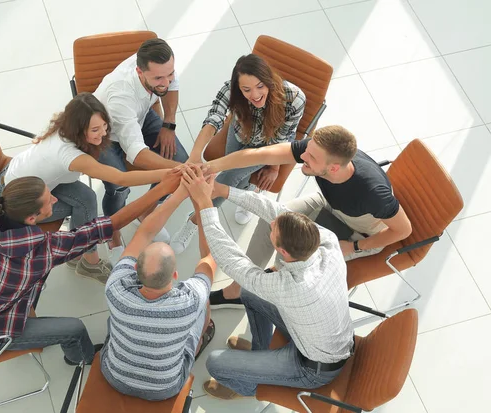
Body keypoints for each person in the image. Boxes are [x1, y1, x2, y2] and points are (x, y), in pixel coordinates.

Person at [0, 173, 180, 366]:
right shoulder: (42, 249)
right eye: (49, 200)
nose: (54, 198)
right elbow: (110, 225)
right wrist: (161, 189)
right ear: (31, 218)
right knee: (75, 329)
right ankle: (81, 359)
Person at [180, 165, 353, 400]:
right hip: (313, 332)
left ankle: (249, 388)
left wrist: (204, 205)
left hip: (313, 367)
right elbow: (276, 211)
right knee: (250, 293)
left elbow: (231, 260)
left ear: (281, 251)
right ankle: (258, 354)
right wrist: (220, 189)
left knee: (216, 363)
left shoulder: (290, 287)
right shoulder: (327, 241)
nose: (271, 223)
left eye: (273, 230)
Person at [205, 125, 412, 309]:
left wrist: (355, 247)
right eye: (307, 151)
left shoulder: (373, 193)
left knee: (289, 254)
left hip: (359, 233)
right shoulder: (319, 152)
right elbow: (263, 154)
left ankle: (266, 301)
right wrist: (211, 167)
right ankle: (238, 291)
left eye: (311, 157)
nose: (303, 156)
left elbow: (403, 230)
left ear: (333, 168)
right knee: (271, 221)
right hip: (330, 204)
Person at [0, 93, 171, 279]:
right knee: (85, 204)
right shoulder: (69, 155)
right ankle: (89, 262)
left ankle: (80, 254)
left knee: (86, 197)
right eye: (95, 129)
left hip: (24, 178)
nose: (103, 133)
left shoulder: (66, 124)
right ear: (78, 130)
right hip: (18, 199)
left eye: (104, 125)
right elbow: (121, 179)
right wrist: (170, 174)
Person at [170, 53, 305, 254]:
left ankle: (195, 220)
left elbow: (281, 141)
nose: (255, 95)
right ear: (238, 87)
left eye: (260, 86)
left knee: (230, 176)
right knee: (237, 179)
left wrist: (273, 167)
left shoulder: (294, 99)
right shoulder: (230, 89)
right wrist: (195, 154)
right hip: (241, 133)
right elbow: (214, 117)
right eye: (246, 90)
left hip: (266, 147)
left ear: (268, 80)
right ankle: (249, 190)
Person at [101, 172, 216, 401]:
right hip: (164, 390)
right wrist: (204, 201)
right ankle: (202, 338)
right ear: (175, 275)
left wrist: (179, 193)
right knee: (204, 305)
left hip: (113, 376)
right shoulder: (190, 301)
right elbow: (209, 257)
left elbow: (145, 232)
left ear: (134, 269)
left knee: (113, 319)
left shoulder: (115, 289)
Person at [94, 38, 189, 242]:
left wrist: (169, 124)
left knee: (179, 160)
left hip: (141, 116)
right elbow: (136, 154)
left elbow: (172, 84)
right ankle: (113, 231)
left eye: (170, 74)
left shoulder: (161, 68)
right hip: (105, 135)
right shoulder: (120, 96)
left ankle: (145, 214)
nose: (166, 82)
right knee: (118, 188)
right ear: (139, 72)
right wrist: (181, 171)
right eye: (158, 79)